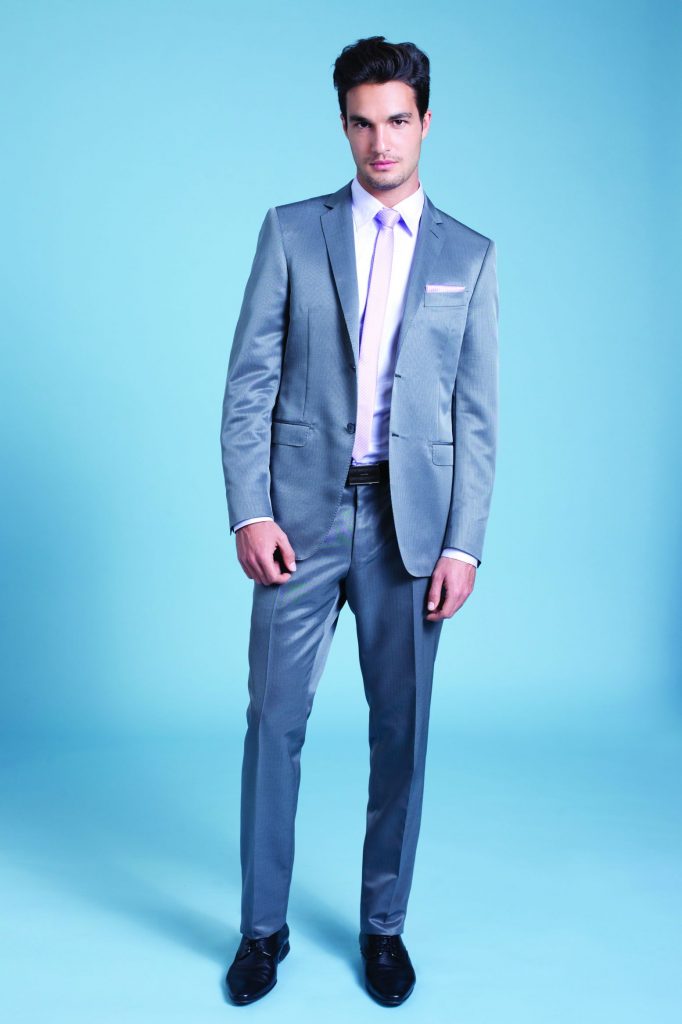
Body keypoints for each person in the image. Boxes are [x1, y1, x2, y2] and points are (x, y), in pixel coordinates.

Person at [219, 34, 499, 1007]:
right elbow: (248, 383)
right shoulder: (291, 232)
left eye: (397, 121)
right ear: (342, 125)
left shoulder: (468, 256)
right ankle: (262, 930)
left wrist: (463, 543)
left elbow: (476, 415)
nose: (381, 142)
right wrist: (250, 511)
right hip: (298, 519)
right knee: (273, 723)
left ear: (425, 123)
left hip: (406, 528)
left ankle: (384, 928)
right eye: (362, 123)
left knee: (401, 733)